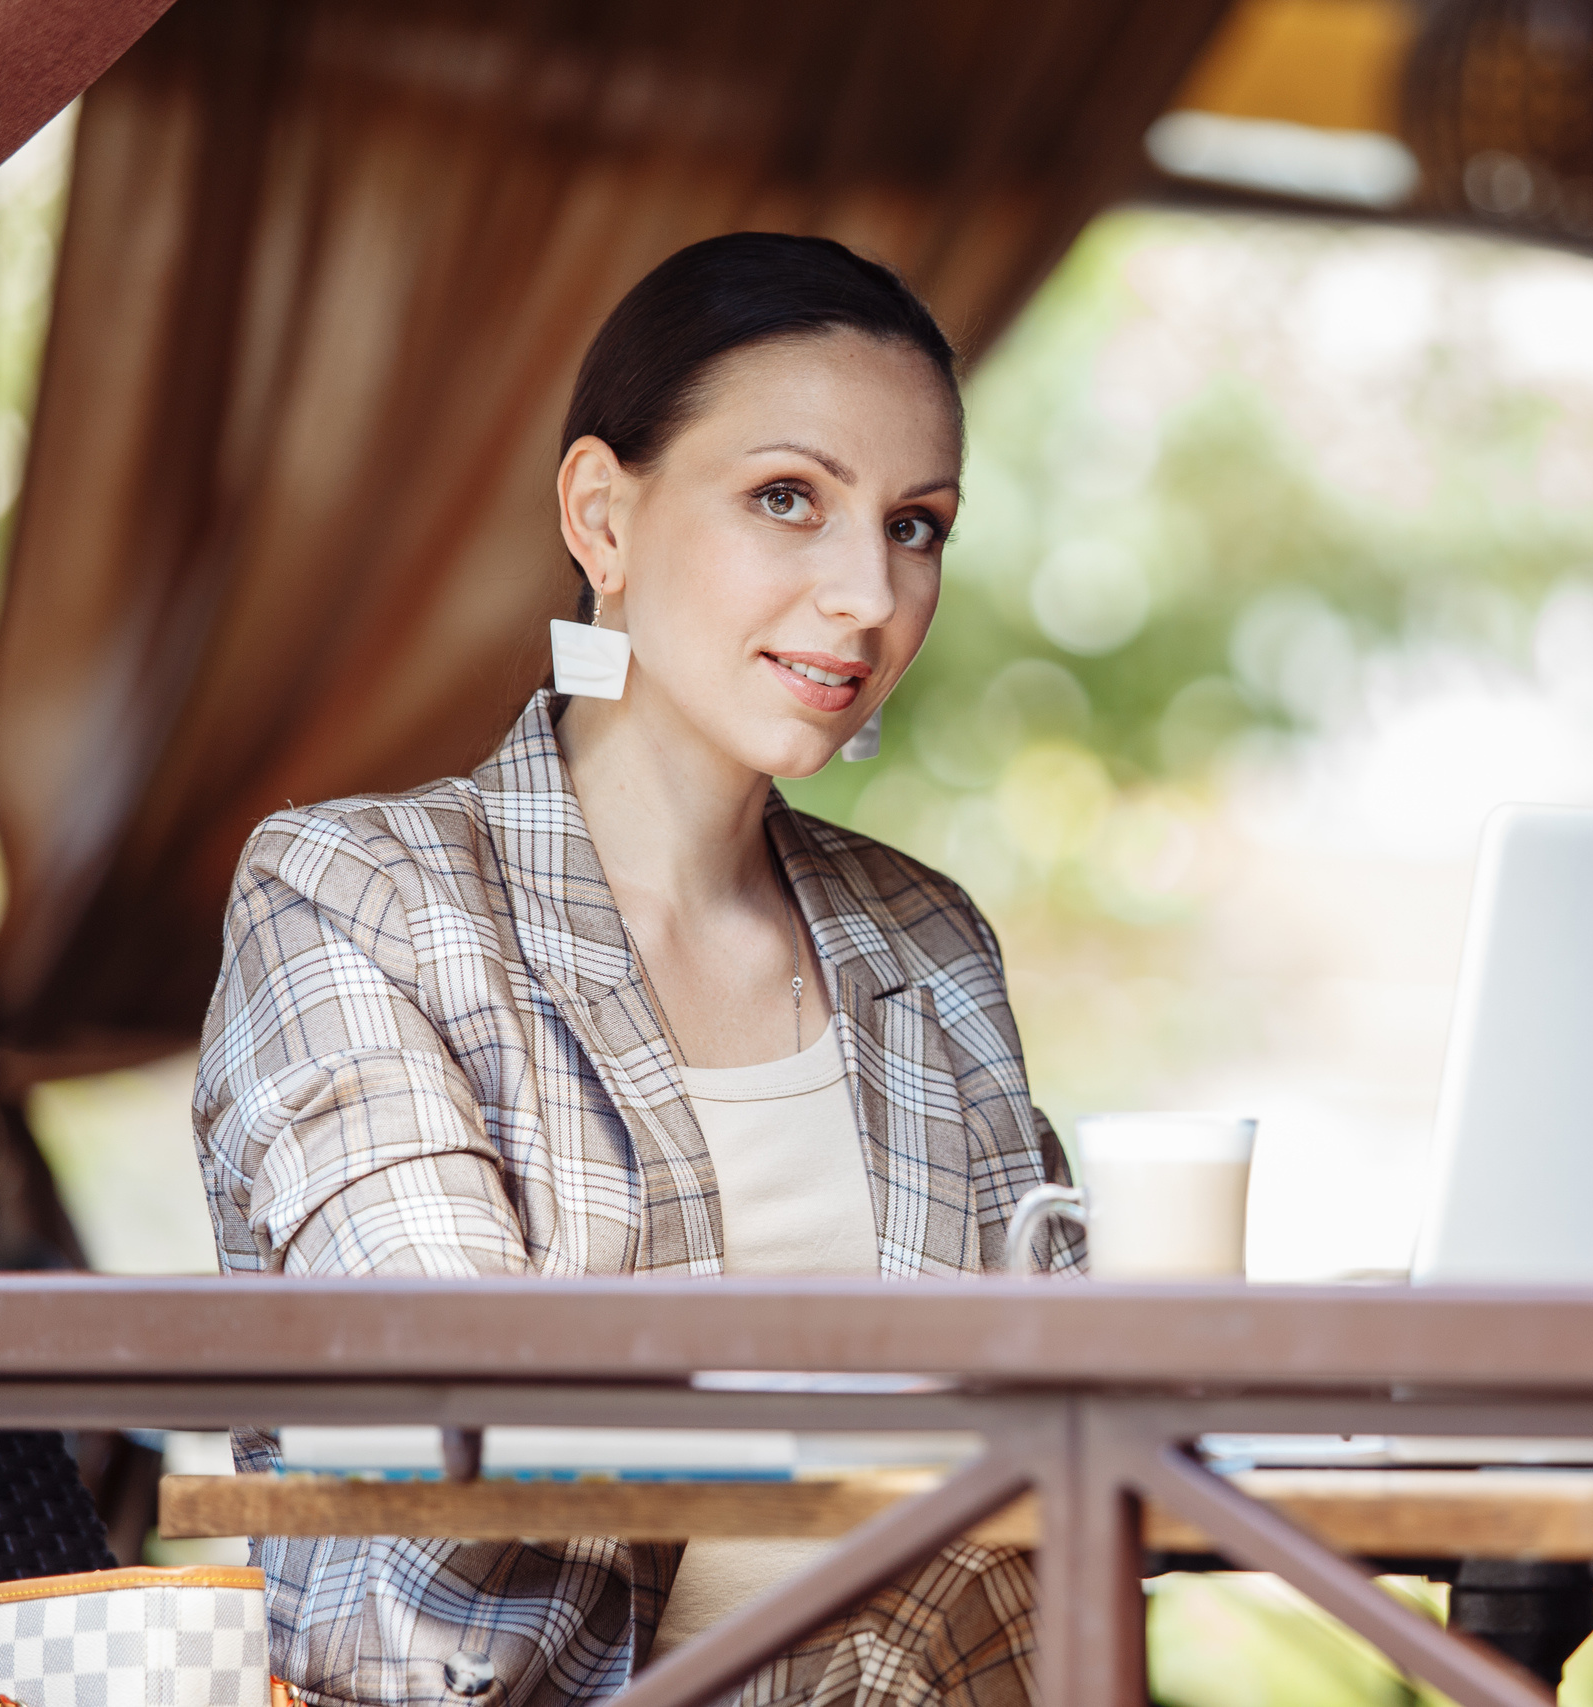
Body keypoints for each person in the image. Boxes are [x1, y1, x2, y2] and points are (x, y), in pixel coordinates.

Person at [191, 233, 1082, 1707]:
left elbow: (1067, 1424)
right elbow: (443, 1416)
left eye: (916, 525)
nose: (866, 594)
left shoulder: (931, 946)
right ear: (602, 515)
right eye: (786, 498)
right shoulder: (359, 894)